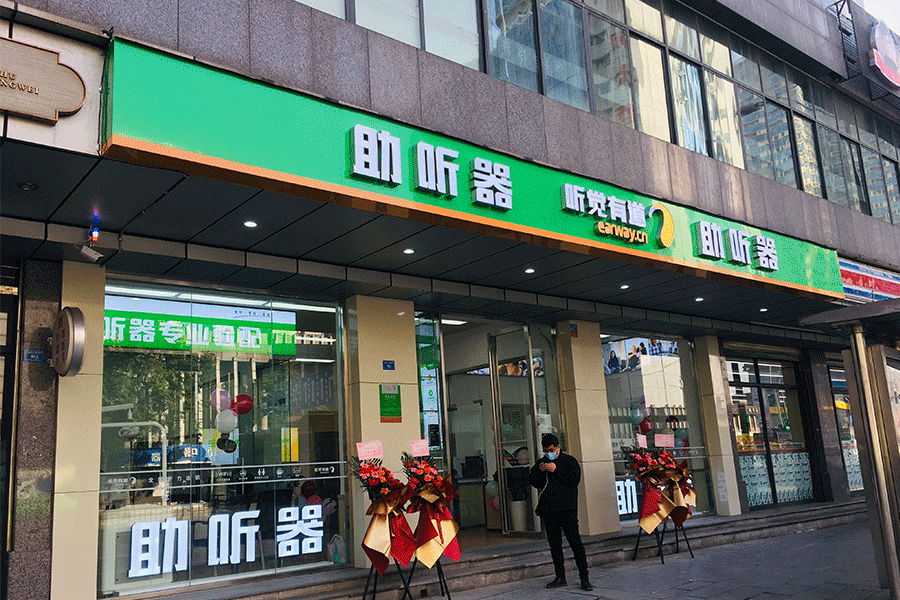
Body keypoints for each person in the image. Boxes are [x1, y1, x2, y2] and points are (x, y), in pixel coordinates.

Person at [528, 434, 593, 591]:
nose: (548, 453)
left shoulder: (569, 461)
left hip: (567, 509)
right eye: (545, 451)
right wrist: (540, 470)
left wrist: (556, 470)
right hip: (549, 510)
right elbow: (534, 482)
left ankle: (584, 578)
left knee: (575, 543)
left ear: (558, 447)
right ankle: (560, 576)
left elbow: (574, 479)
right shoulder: (542, 462)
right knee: (554, 545)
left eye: (551, 450)